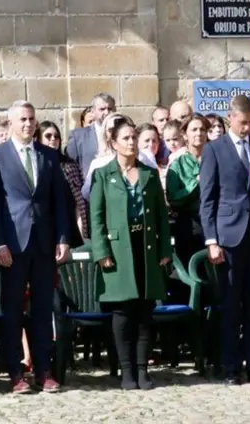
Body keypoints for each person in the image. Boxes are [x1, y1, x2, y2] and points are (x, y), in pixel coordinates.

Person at [0, 100, 70, 394]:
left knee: (43, 311)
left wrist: (63, 238)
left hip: (44, 244)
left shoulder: (47, 155)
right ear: (10, 123)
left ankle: (44, 371)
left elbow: (60, 202)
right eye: (22, 119)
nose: (28, 124)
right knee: (12, 310)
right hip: (13, 244)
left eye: (32, 119)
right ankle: (16, 372)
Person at [199, 95, 250, 385]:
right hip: (228, 236)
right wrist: (211, 239)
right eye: (244, 122)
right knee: (232, 305)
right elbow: (207, 199)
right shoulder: (214, 150)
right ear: (230, 118)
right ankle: (231, 367)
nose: (248, 128)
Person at [90, 119, 172, 390]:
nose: (131, 143)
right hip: (117, 250)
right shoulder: (103, 175)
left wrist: (164, 251)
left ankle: (142, 369)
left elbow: (161, 216)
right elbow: (97, 216)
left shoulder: (148, 174)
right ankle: (126, 371)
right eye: (125, 138)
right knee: (123, 312)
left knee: (145, 311)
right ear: (113, 143)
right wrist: (101, 251)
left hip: (146, 246)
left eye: (133, 138)